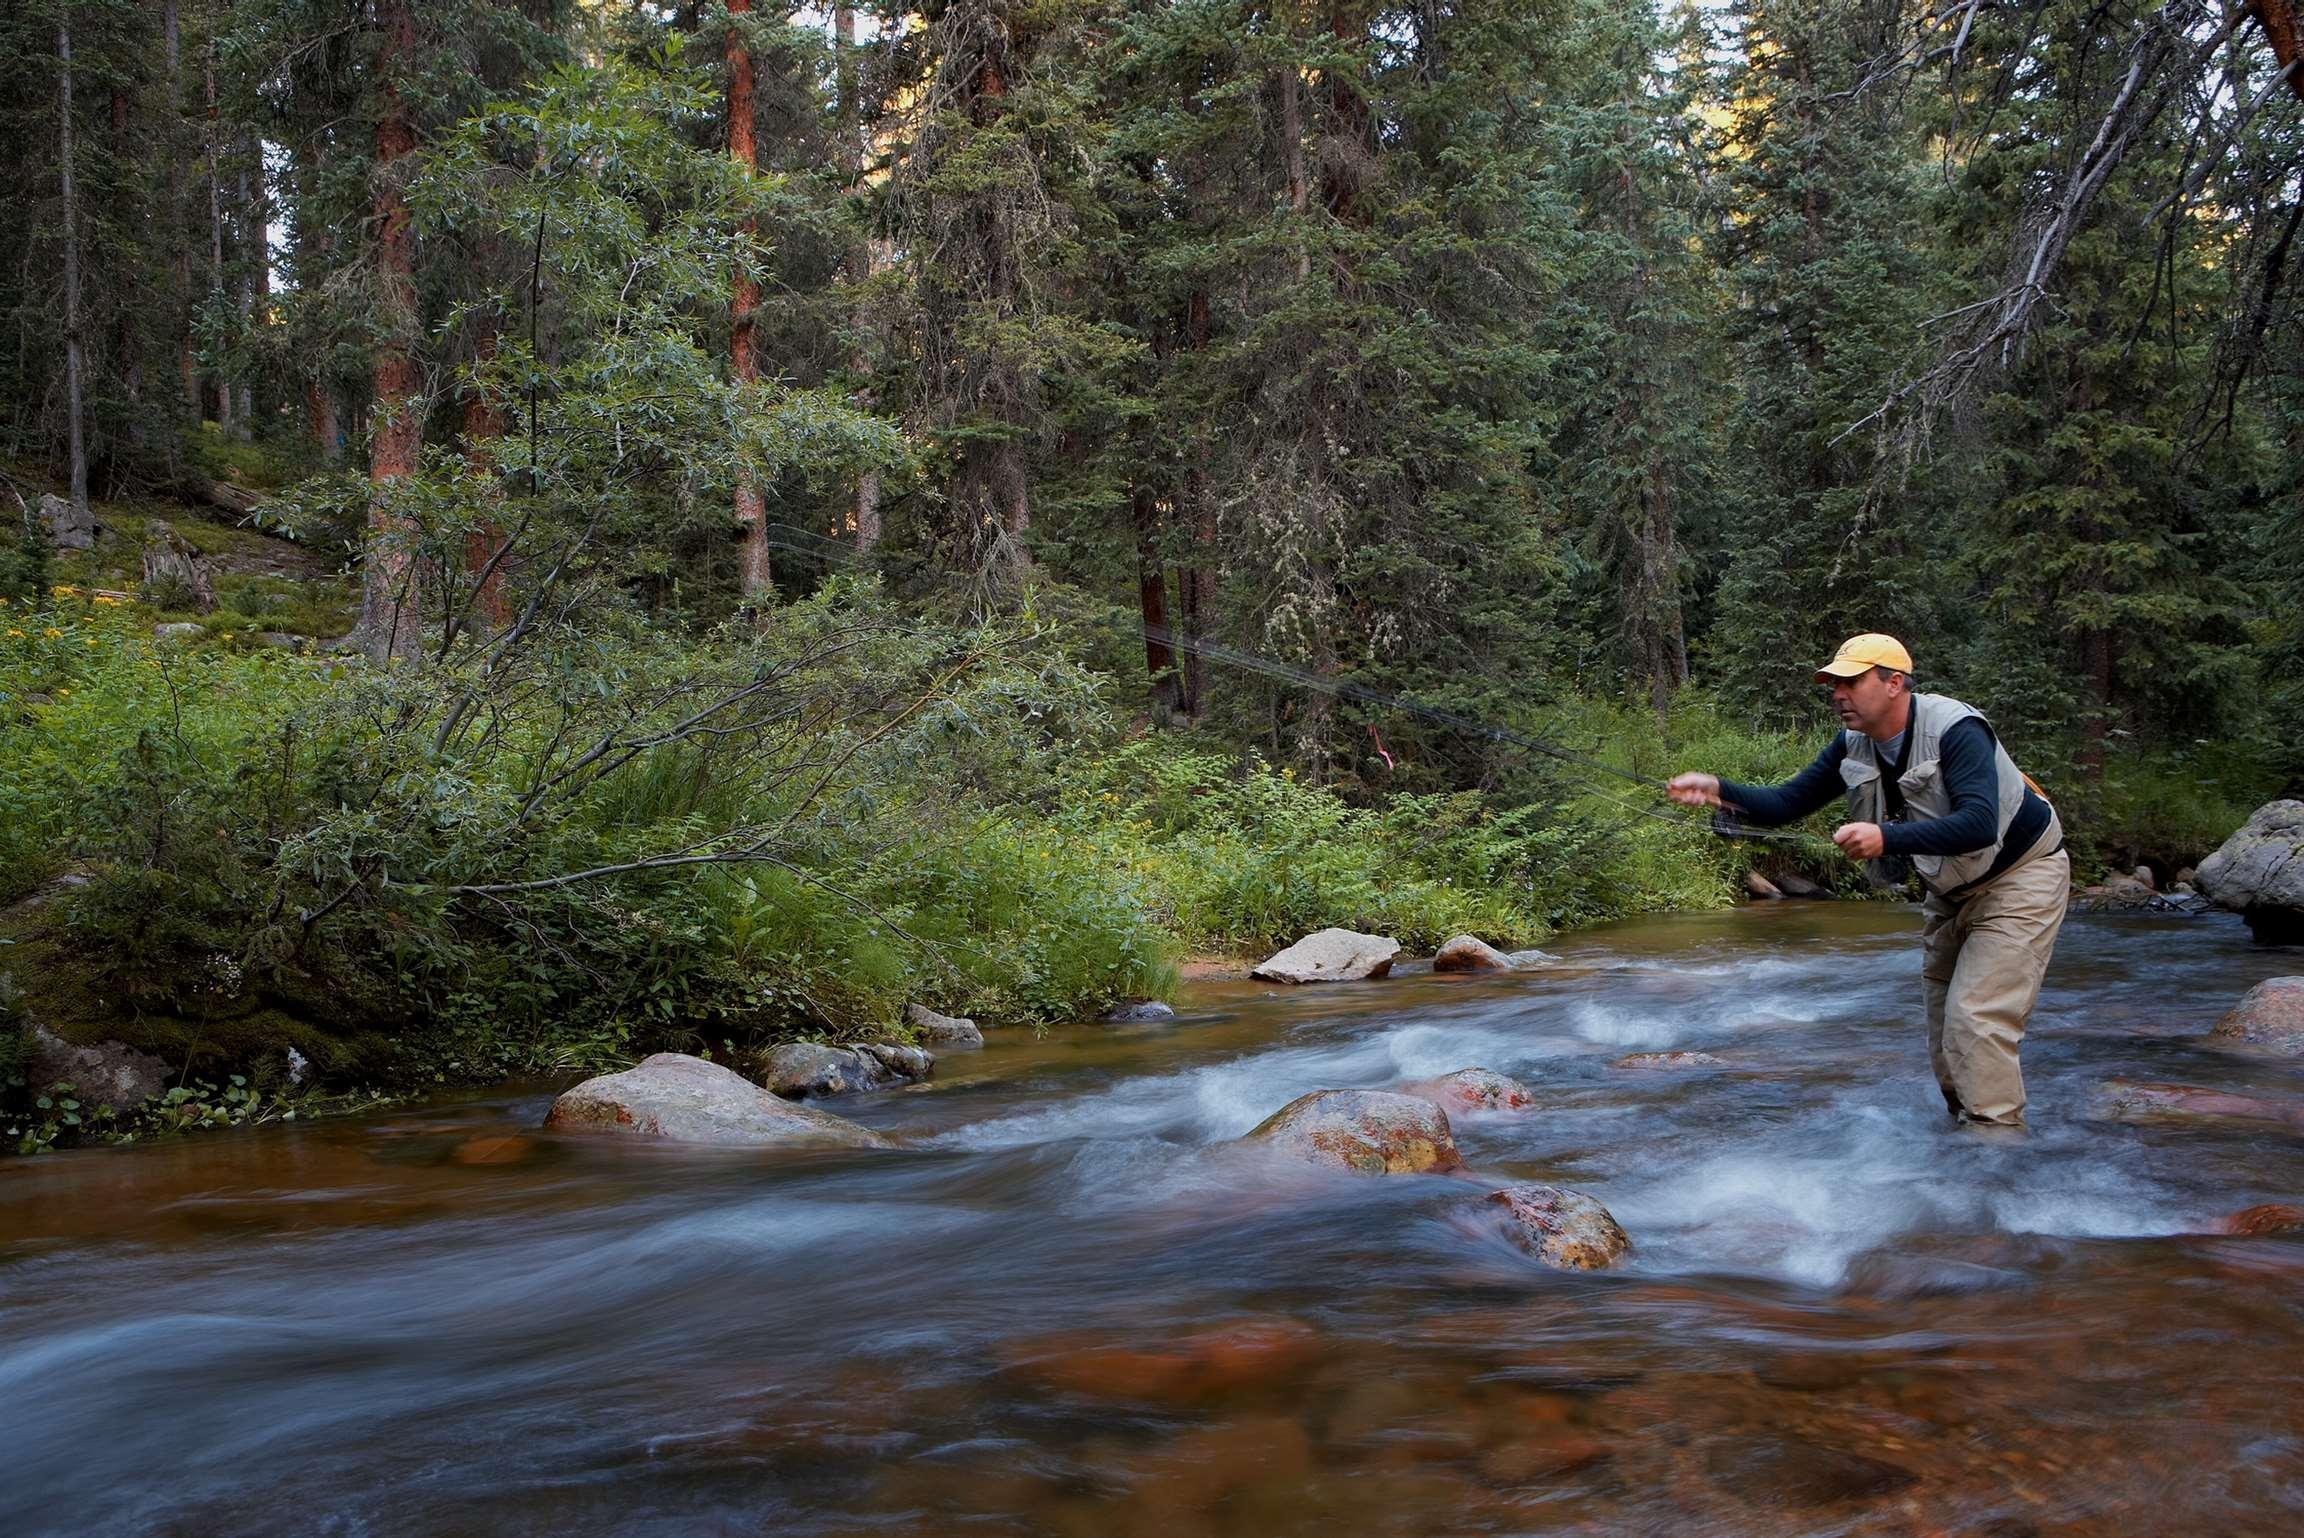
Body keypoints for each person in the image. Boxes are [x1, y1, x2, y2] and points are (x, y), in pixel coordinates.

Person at [1666, 634, 2069, 1129]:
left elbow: (1980, 823)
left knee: (1977, 1021)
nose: (1838, 693)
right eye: (1834, 683)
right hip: (1952, 890)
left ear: (1894, 682)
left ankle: (1996, 1148)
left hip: (2022, 875)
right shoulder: (1853, 743)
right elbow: (1787, 803)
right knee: (1944, 1026)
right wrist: (1719, 790)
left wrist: (1886, 836)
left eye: (1850, 681)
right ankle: (1965, 1139)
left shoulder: (1956, 729)